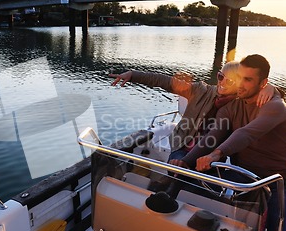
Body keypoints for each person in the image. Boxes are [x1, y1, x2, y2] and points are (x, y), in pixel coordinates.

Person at [176, 54, 286, 231]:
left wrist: (216, 155)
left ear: (264, 84)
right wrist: (186, 161)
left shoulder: (275, 106)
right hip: (243, 178)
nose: (241, 85)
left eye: (249, 80)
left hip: (278, 183)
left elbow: (246, 134)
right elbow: (211, 138)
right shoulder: (231, 108)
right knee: (186, 184)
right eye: (239, 78)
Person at [109, 62, 275, 166]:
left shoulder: (241, 103)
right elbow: (164, 81)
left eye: (229, 80)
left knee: (203, 187)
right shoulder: (200, 90)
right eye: (220, 76)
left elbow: (265, 95)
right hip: (182, 145)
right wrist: (132, 75)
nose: (222, 83)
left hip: (211, 154)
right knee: (177, 171)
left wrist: (272, 89)